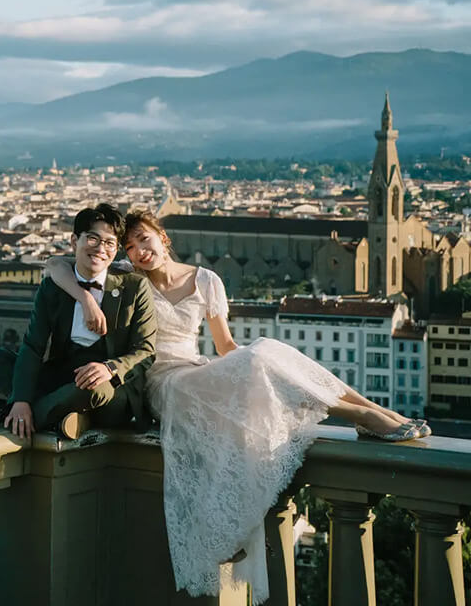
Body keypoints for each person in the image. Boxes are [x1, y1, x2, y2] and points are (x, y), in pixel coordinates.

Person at [46, 209, 428, 604]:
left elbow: (226, 346)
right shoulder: (126, 277)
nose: (139, 251)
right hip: (164, 383)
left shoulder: (206, 279)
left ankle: (374, 413)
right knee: (265, 355)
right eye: (130, 246)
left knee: (269, 352)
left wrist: (256, 365)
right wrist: (86, 301)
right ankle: (366, 415)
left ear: (163, 237)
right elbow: (54, 265)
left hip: (199, 370)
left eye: (144, 240)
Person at [0, 203, 157, 439]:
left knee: (94, 388)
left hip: (112, 389)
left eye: (109, 243)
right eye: (92, 239)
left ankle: (12, 415)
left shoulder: (134, 287)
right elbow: (33, 347)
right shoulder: (53, 287)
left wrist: (110, 368)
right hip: (63, 380)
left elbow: (146, 350)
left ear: (115, 251)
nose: (101, 249)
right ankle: (53, 415)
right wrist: (21, 398)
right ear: (75, 242)